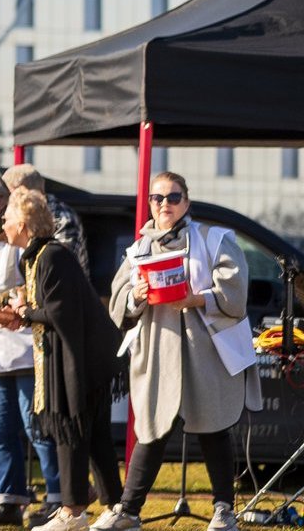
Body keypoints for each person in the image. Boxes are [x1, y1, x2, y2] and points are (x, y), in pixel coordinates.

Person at [90, 172, 260, 531]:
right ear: (149, 203)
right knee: (151, 432)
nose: (164, 204)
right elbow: (118, 305)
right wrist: (135, 296)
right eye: (157, 198)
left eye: (173, 197)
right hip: (157, 352)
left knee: (214, 429)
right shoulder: (137, 250)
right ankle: (129, 511)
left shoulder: (213, 239)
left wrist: (195, 298)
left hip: (208, 352)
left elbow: (237, 293)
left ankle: (223, 510)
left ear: (187, 200)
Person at [0, 190, 122, 531]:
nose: (2, 223)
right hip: (71, 358)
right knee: (89, 436)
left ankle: (74, 512)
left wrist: (25, 312)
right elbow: (48, 308)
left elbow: (62, 313)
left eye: (7, 217)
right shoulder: (34, 257)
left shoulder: (52, 255)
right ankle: (118, 508)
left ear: (23, 223)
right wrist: (19, 312)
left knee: (73, 432)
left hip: (81, 362)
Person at [0, 172, 60, 526]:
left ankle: (59, 499)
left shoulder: (17, 242)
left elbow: (32, 292)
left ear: (4, 202)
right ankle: (8, 502)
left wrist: (6, 306)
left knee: (38, 428)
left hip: (25, 349)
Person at [2, 164, 89, 287]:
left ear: (22, 191)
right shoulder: (17, 218)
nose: (6, 201)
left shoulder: (63, 218)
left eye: (9, 194)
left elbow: (61, 267)